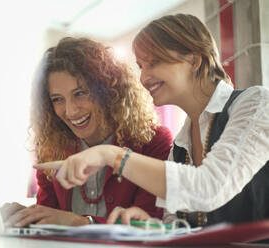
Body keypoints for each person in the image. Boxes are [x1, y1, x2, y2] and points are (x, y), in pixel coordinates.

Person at [34, 14, 269, 228]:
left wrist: (109, 155)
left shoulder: (256, 103)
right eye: (141, 66)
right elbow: (176, 224)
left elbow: (209, 187)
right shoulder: (180, 145)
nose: (144, 77)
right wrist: (149, 224)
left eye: (154, 63)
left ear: (195, 61)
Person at [1, 37, 173, 227]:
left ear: (107, 89)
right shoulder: (51, 149)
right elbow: (49, 223)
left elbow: (151, 223)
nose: (70, 111)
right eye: (58, 99)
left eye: (80, 93)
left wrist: (82, 222)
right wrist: (27, 217)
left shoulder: (153, 141)